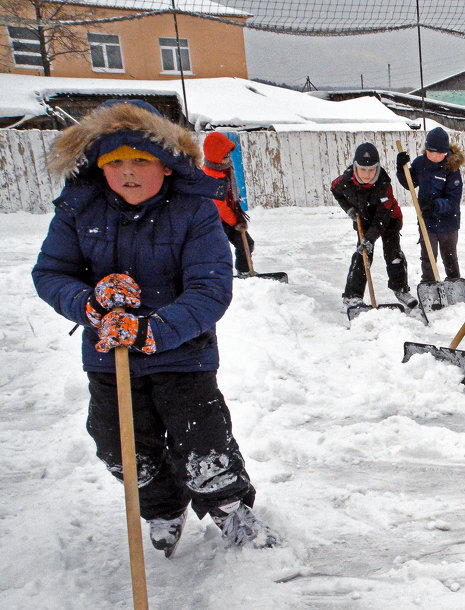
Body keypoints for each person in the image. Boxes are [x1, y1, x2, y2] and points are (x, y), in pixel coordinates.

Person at [31, 99, 274, 555]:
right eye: (114, 161)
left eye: (140, 160)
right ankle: (163, 507)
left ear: (165, 164)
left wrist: (152, 331)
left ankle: (230, 510)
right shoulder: (79, 208)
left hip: (183, 354)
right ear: (99, 168)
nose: (127, 171)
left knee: (204, 448)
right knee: (122, 452)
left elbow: (210, 289)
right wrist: (91, 302)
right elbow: (50, 274)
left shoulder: (193, 210)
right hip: (108, 358)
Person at [330, 142, 414, 310]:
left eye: (371, 170)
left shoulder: (383, 184)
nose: (367, 174)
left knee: (393, 255)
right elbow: (335, 190)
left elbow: (382, 217)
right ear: (355, 167)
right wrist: (349, 209)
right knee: (363, 254)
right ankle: (352, 295)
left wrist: (369, 238)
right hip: (364, 219)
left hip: (389, 219)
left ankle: (400, 289)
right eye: (363, 169)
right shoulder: (346, 180)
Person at [396, 126, 464, 284]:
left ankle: (454, 281)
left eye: (439, 153)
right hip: (426, 220)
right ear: (426, 149)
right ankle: (428, 282)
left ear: (446, 152)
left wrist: (435, 206)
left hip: (448, 221)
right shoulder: (420, 163)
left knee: (449, 256)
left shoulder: (452, 169)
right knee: (428, 255)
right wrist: (401, 169)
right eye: (431, 152)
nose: (434, 156)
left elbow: (453, 200)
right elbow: (410, 183)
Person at [201, 130, 253, 276]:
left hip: (226, 218)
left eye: (229, 154)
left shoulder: (224, 168)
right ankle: (216, 277)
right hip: (211, 220)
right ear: (215, 155)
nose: (228, 158)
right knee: (219, 251)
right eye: (225, 156)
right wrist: (236, 220)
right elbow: (219, 206)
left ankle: (245, 273)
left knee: (247, 244)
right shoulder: (211, 177)